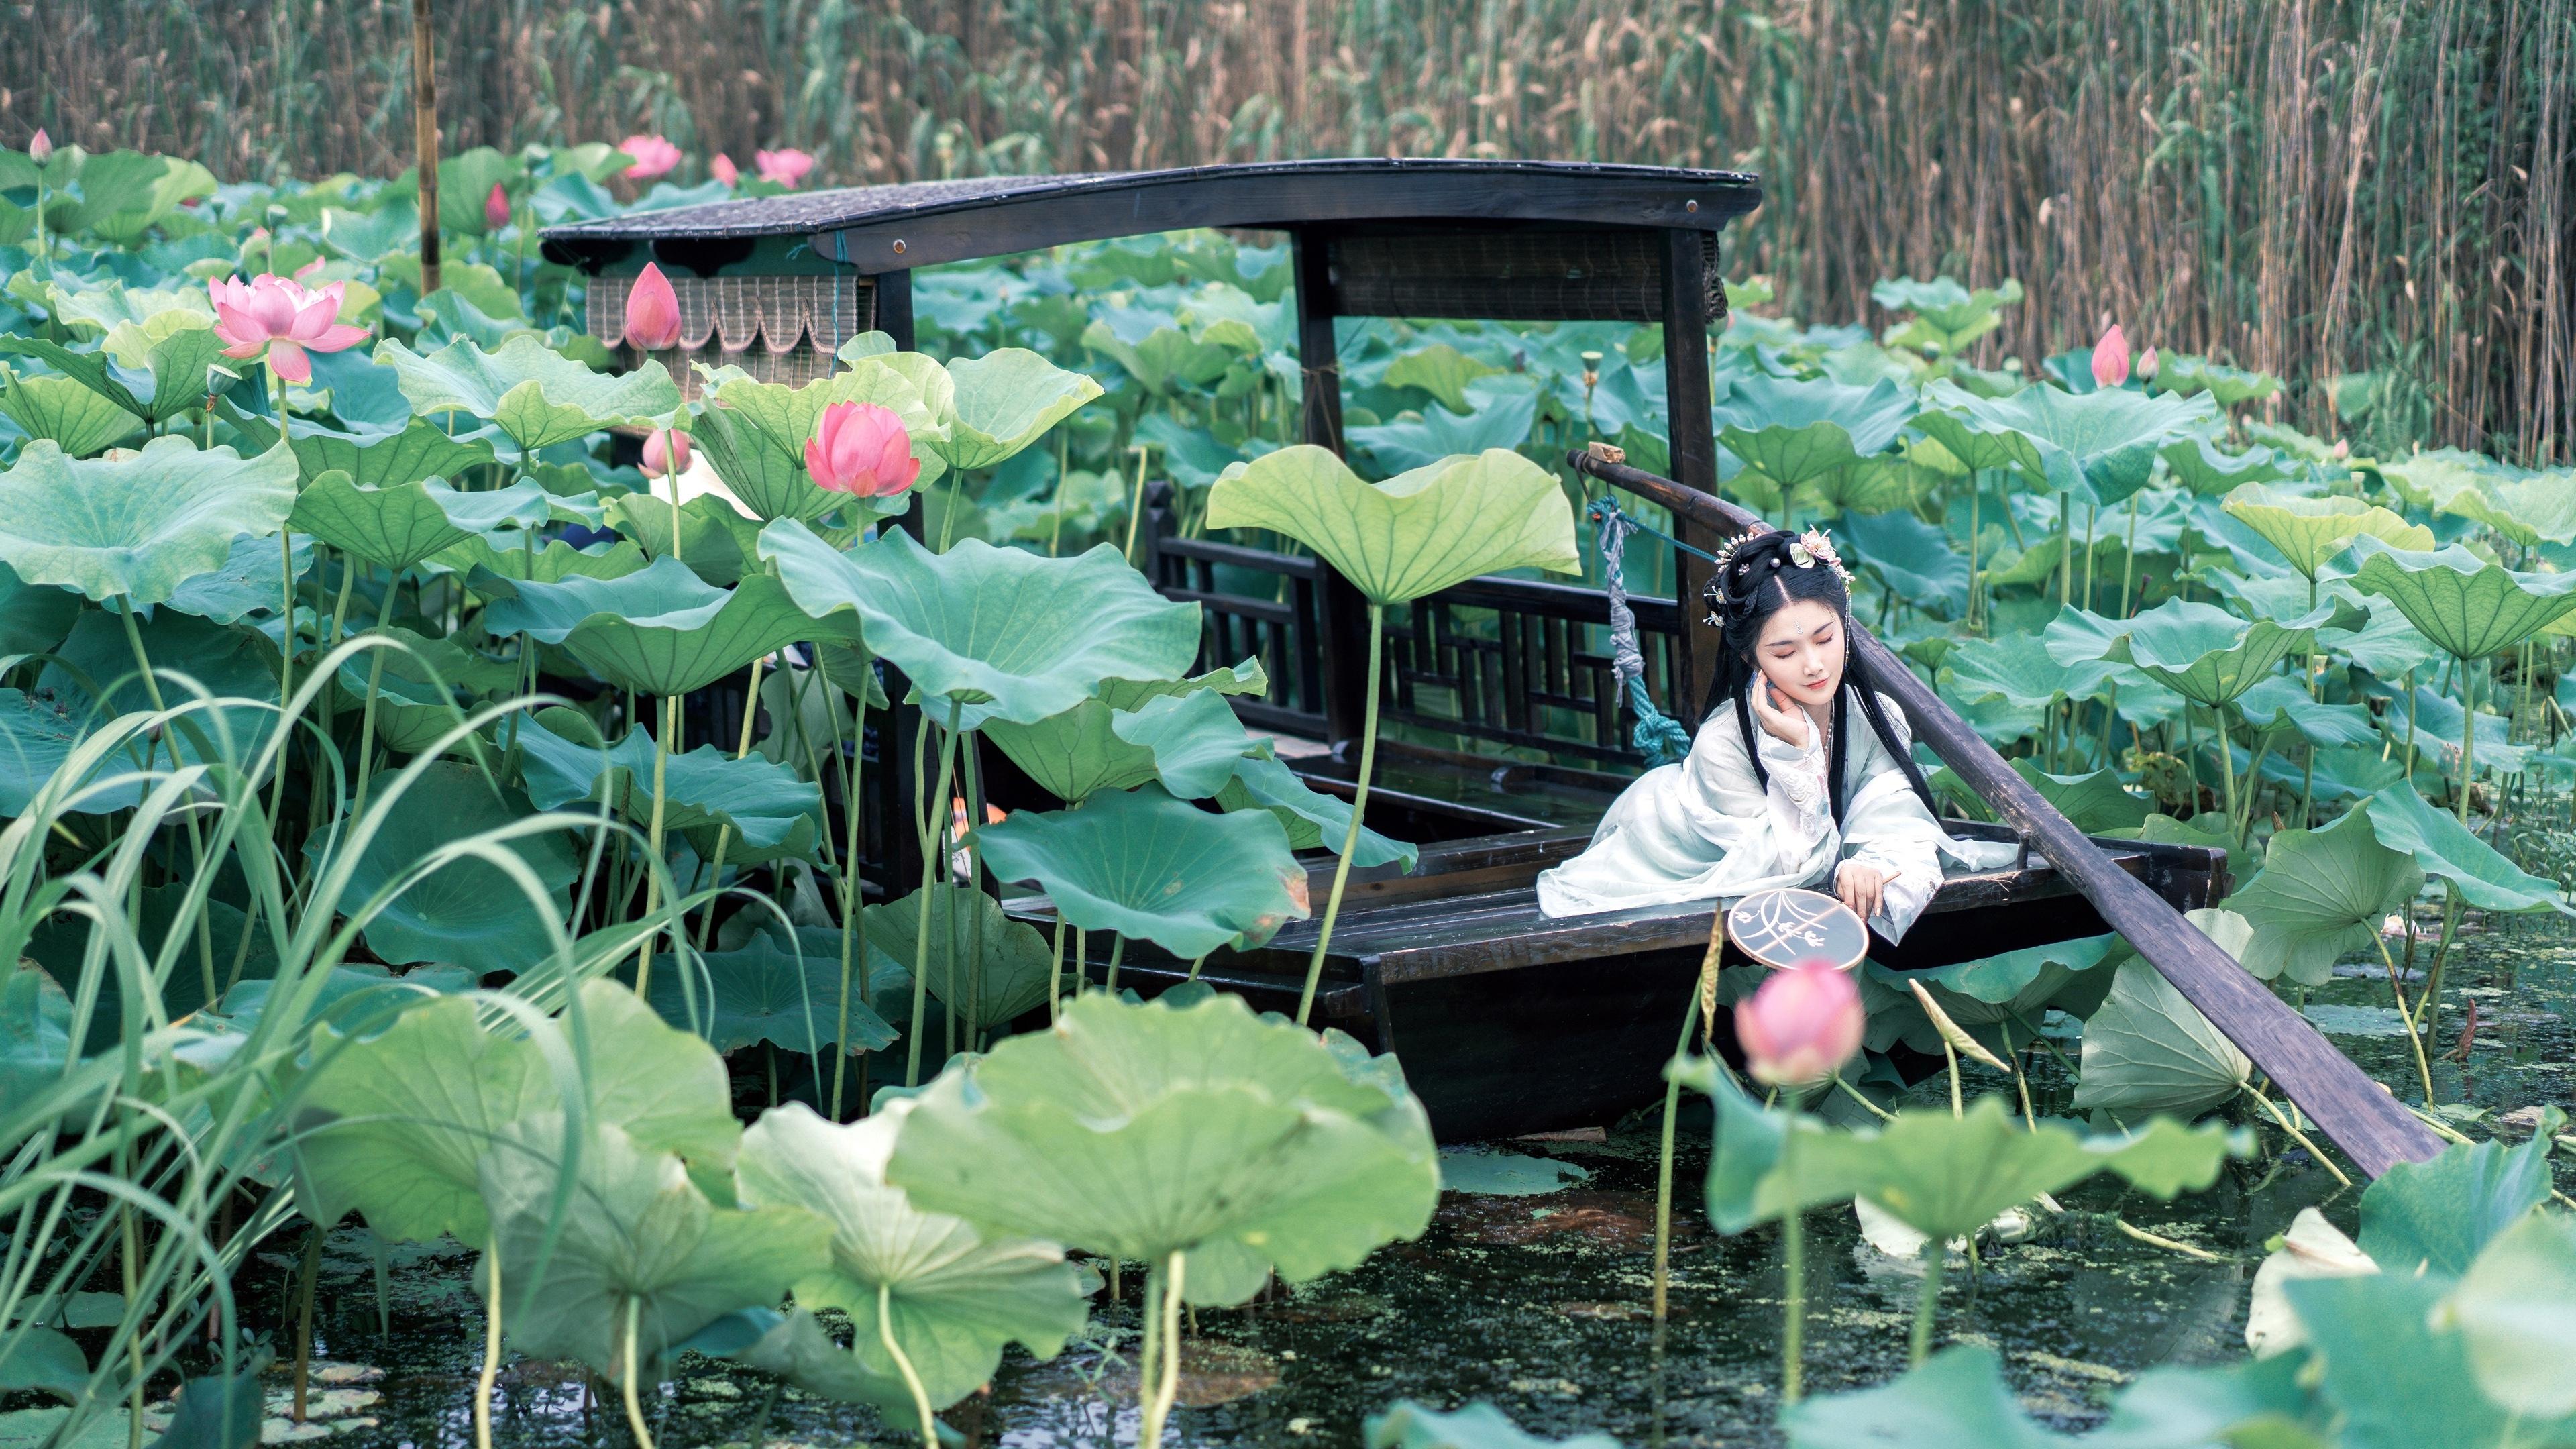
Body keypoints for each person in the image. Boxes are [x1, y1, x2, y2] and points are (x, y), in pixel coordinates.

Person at [1534, 525, 2017, 940]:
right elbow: (1785, 872)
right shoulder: (1722, 743)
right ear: (1751, 660)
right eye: (1785, 653)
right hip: (1667, 845)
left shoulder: (1877, 716)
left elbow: (1899, 824)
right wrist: (1800, 752)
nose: (1813, 665)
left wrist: (1867, 863)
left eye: (1826, 639)